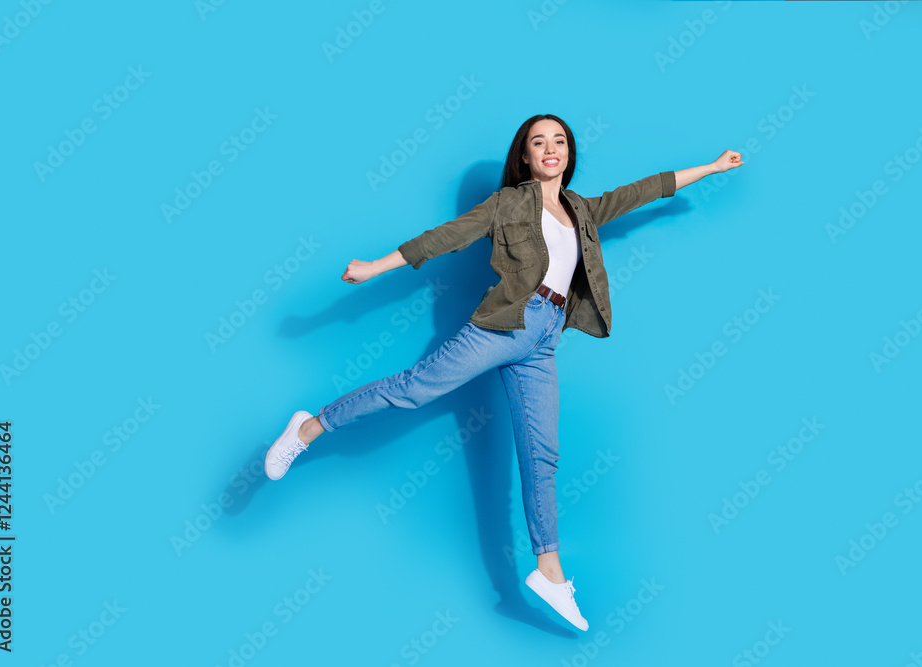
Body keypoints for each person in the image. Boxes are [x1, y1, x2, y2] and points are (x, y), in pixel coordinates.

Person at [264, 113, 744, 631]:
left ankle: (549, 571)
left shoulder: (582, 209)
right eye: (540, 142)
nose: (551, 148)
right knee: (412, 391)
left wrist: (714, 167)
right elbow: (447, 236)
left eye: (559, 141)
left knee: (542, 454)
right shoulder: (510, 203)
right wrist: (374, 267)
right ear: (526, 156)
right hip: (506, 325)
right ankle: (309, 427)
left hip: (545, 338)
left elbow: (645, 190)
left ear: (568, 152)